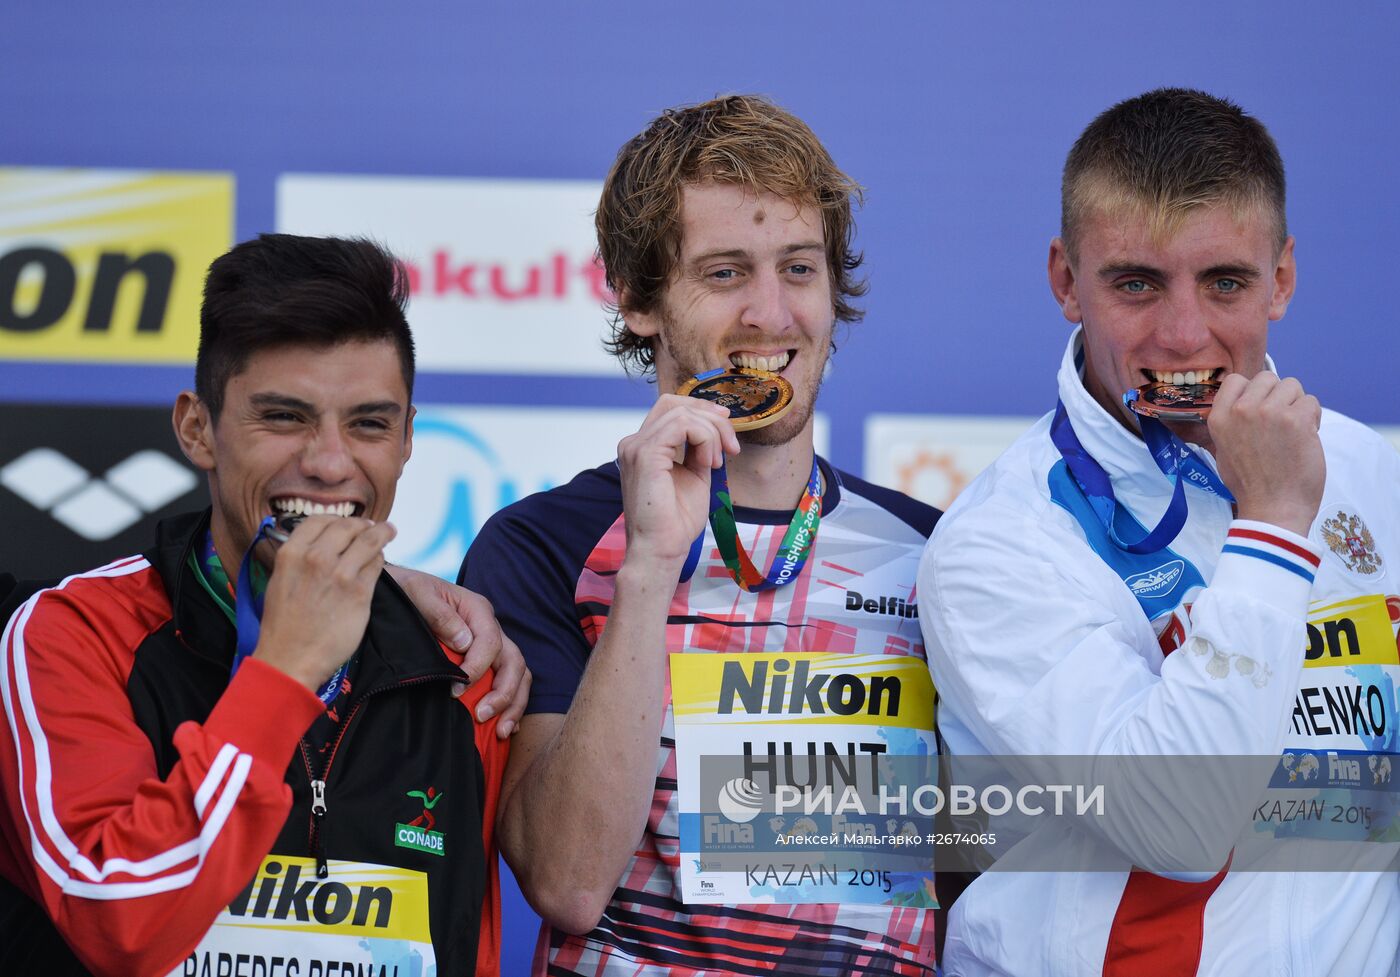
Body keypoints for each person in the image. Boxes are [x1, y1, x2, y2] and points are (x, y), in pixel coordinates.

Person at [919, 88, 1400, 976]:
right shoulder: (1002, 542)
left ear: (1282, 280)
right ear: (1066, 281)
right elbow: (1179, 823)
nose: (1185, 335)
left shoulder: (1368, 469)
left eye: (1225, 282)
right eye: (1136, 283)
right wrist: (1274, 527)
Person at [460, 95, 941, 975]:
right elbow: (567, 884)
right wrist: (648, 568)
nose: (771, 314)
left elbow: (972, 871)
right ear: (640, 299)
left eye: (799, 268)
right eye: (725, 274)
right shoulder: (543, 545)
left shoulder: (931, 553)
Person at [0, 234, 517, 976]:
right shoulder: (71, 637)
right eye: (284, 417)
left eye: (369, 423)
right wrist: (286, 671)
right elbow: (120, 921)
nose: (330, 462)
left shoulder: (460, 667)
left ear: (407, 437)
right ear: (197, 428)